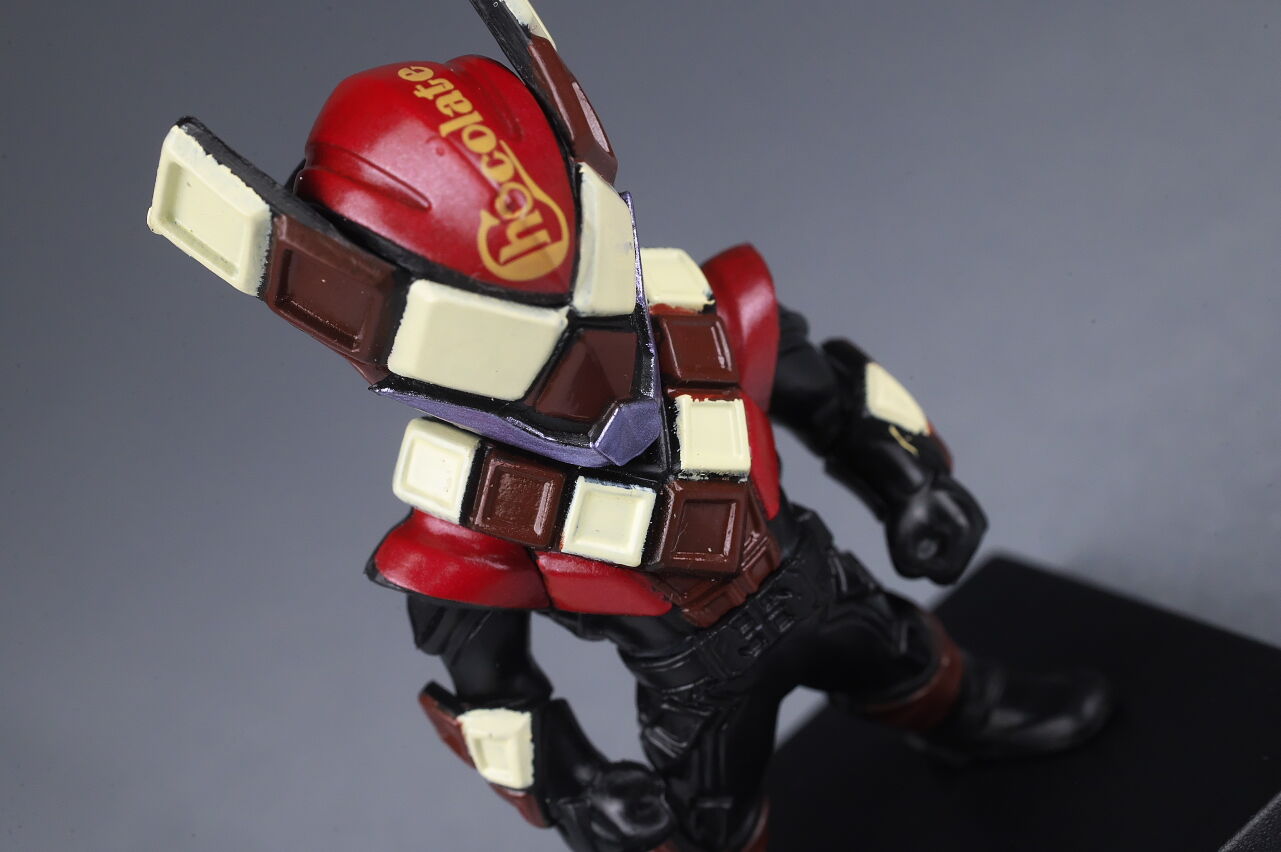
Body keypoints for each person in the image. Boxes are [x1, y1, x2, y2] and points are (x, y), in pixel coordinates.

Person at [145, 3, 1112, 850]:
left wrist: (911, 481)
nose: (582, 354)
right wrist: (574, 789)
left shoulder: (698, 323)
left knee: (912, 658)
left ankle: (969, 716)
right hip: (696, 688)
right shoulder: (469, 510)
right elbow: (487, 690)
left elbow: (832, 392)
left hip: (819, 584)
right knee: (708, 832)